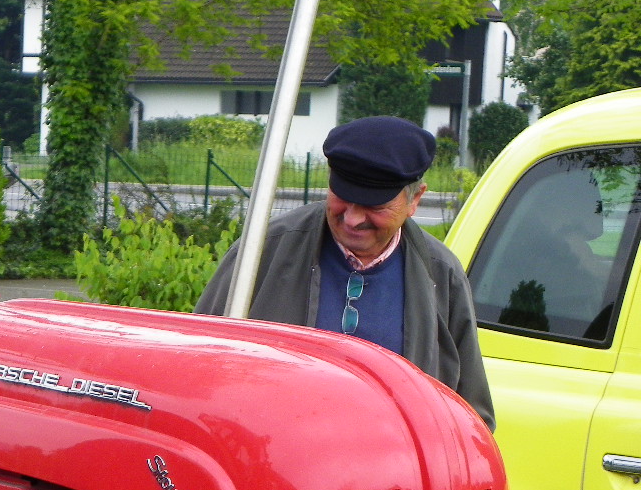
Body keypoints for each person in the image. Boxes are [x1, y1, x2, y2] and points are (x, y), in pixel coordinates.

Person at [194, 115, 495, 431]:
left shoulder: (441, 274)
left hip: (388, 462)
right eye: (342, 198)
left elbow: (473, 419)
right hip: (273, 454)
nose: (352, 219)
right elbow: (197, 366)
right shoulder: (263, 251)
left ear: (415, 199)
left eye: (374, 207)